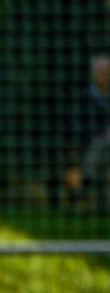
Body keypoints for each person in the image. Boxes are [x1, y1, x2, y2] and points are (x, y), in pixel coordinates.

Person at [70, 55, 110, 212]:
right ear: (94, 74)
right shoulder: (83, 99)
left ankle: (86, 185)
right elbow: (77, 130)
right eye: (102, 72)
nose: (106, 76)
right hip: (88, 150)